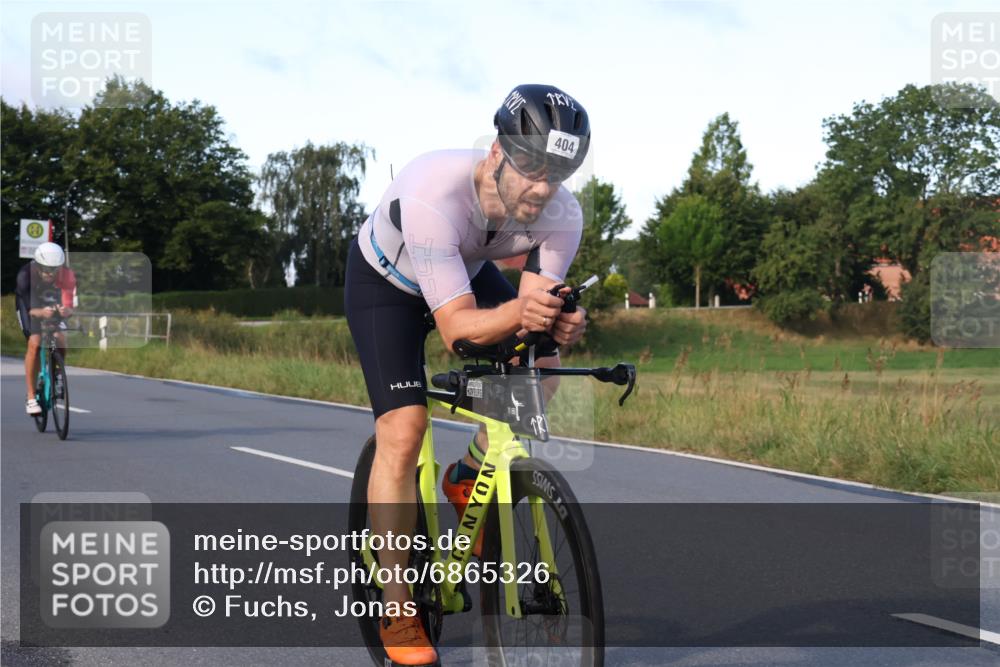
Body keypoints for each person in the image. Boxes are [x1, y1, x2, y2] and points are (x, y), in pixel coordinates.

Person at [344, 83, 591, 666]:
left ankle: (472, 471)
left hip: (463, 269)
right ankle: (398, 605)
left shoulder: (563, 215)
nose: (541, 187)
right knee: (403, 433)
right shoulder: (433, 191)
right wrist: (521, 313)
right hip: (388, 287)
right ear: (497, 153)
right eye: (530, 167)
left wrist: (558, 322)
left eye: (557, 173)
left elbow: (531, 310)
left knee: (542, 367)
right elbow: (457, 331)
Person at [15, 242, 76, 415]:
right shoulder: (25, 275)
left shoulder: (67, 276)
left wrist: (65, 310)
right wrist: (41, 312)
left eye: (54, 269)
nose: (50, 273)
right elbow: (31, 309)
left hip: (51, 300)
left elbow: (69, 306)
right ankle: (31, 396)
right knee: (34, 343)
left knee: (60, 336)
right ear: (38, 265)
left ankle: (57, 370)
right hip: (29, 303)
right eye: (46, 269)